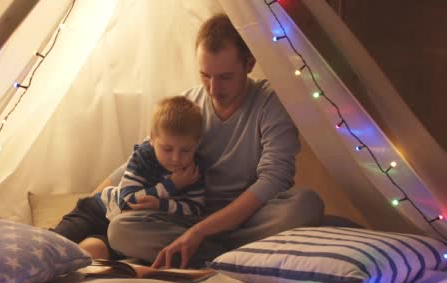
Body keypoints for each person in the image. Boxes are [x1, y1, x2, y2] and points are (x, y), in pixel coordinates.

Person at [105, 13, 324, 268]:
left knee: (305, 204)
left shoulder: (270, 102)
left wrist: (199, 233)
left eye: (225, 77)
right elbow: (147, 153)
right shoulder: (191, 103)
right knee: (121, 229)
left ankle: (207, 253)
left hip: (250, 218)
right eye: (205, 75)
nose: (213, 88)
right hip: (192, 215)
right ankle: (236, 258)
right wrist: (91, 202)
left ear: (249, 63)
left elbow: (274, 180)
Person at [51, 96, 206, 259]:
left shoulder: (194, 170)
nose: (176, 158)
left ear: (196, 145)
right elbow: (129, 200)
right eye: (167, 149)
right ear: (152, 139)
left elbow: (194, 210)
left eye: (185, 150)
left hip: (125, 228)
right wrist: (172, 185)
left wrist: (160, 204)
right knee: (56, 242)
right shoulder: (144, 157)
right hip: (99, 210)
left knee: (89, 253)